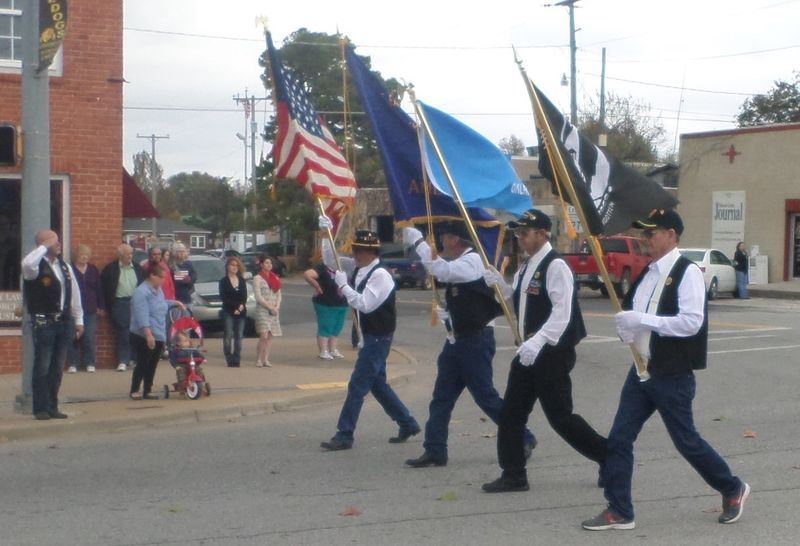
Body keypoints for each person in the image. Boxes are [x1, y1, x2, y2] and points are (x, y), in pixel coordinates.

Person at [582, 209, 750, 530]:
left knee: (686, 441)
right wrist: (628, 328)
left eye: (651, 233)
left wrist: (643, 321)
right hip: (641, 370)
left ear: (671, 235)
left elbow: (691, 322)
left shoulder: (687, 272)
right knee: (619, 438)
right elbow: (634, 314)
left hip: (671, 374)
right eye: (643, 233)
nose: (645, 239)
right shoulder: (648, 273)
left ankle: (732, 487)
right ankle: (619, 510)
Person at [482, 209, 607, 493]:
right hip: (528, 352)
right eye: (517, 233)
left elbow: (562, 313)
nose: (520, 238)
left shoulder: (556, 266)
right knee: (511, 413)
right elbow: (521, 301)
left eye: (524, 233)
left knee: (560, 418)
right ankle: (513, 474)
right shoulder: (527, 265)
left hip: (551, 353)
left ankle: (608, 455)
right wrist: (500, 285)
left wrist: (538, 341)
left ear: (542, 234)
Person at [401, 221, 537, 468]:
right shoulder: (462, 262)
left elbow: (441, 271)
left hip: (475, 341)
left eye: (444, 236)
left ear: (456, 239)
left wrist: (420, 243)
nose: (440, 241)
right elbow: (464, 296)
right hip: (457, 340)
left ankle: (523, 436)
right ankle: (435, 449)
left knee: (486, 397)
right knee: (441, 398)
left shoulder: (473, 261)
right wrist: (449, 315)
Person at [318, 216, 420, 451]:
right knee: (378, 385)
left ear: (372, 252)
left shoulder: (380, 275)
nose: (356, 253)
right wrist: (326, 234)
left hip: (378, 337)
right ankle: (408, 423)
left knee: (357, 385)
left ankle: (344, 434)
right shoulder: (358, 268)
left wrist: (343, 286)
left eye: (361, 250)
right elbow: (330, 259)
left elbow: (365, 304)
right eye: (355, 249)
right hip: (369, 335)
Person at [21, 229, 84, 420]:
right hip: (44, 322)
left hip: (63, 321)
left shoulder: (64, 266)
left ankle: (52, 405)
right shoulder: (35, 267)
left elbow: (74, 294)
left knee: (57, 367)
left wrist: (78, 319)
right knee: (43, 365)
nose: (58, 244)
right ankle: (40, 407)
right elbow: (27, 264)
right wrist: (44, 246)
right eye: (54, 241)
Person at [129, 264, 184, 400]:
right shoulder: (141, 292)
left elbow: (161, 304)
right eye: (161, 277)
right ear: (152, 276)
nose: (163, 280)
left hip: (158, 332)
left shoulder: (158, 290)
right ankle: (134, 389)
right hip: (144, 334)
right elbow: (142, 315)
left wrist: (174, 303)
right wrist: (148, 335)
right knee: (143, 362)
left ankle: (147, 390)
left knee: (152, 364)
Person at [101, 243, 144, 372]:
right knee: (123, 332)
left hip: (136, 303)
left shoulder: (137, 268)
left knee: (137, 332)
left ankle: (135, 358)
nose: (130, 256)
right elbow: (103, 288)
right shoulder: (111, 269)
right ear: (120, 255)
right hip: (120, 303)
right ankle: (123, 360)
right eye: (127, 254)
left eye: (131, 253)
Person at [66, 244, 104, 373]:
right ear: (76, 256)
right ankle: (73, 363)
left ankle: (90, 362)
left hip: (90, 308)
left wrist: (101, 306)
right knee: (73, 336)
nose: (85, 257)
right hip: (73, 309)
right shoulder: (70, 269)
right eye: (82, 255)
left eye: (87, 255)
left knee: (89, 337)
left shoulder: (93, 269)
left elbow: (99, 288)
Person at [303, 261, 348, 360]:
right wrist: (317, 285)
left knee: (337, 327)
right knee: (326, 326)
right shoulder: (322, 267)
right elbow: (307, 274)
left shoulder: (343, 267)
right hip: (325, 302)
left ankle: (333, 349)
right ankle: (323, 351)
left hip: (342, 302)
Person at [253, 254, 282, 368]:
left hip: (274, 310)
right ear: (261, 264)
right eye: (266, 263)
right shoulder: (257, 278)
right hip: (263, 309)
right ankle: (258, 359)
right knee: (264, 335)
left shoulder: (275, 277)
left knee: (270, 335)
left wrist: (277, 306)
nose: (269, 265)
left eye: (270, 263)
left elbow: (278, 294)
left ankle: (266, 359)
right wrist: (269, 307)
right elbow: (258, 297)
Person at [219, 256, 248, 367]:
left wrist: (240, 308)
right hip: (228, 312)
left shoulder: (241, 280)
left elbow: (244, 297)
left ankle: (237, 358)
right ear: (227, 266)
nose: (234, 267)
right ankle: (229, 358)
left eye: (236, 265)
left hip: (241, 312)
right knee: (228, 336)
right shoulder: (223, 281)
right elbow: (224, 298)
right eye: (232, 265)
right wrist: (235, 307)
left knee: (239, 336)